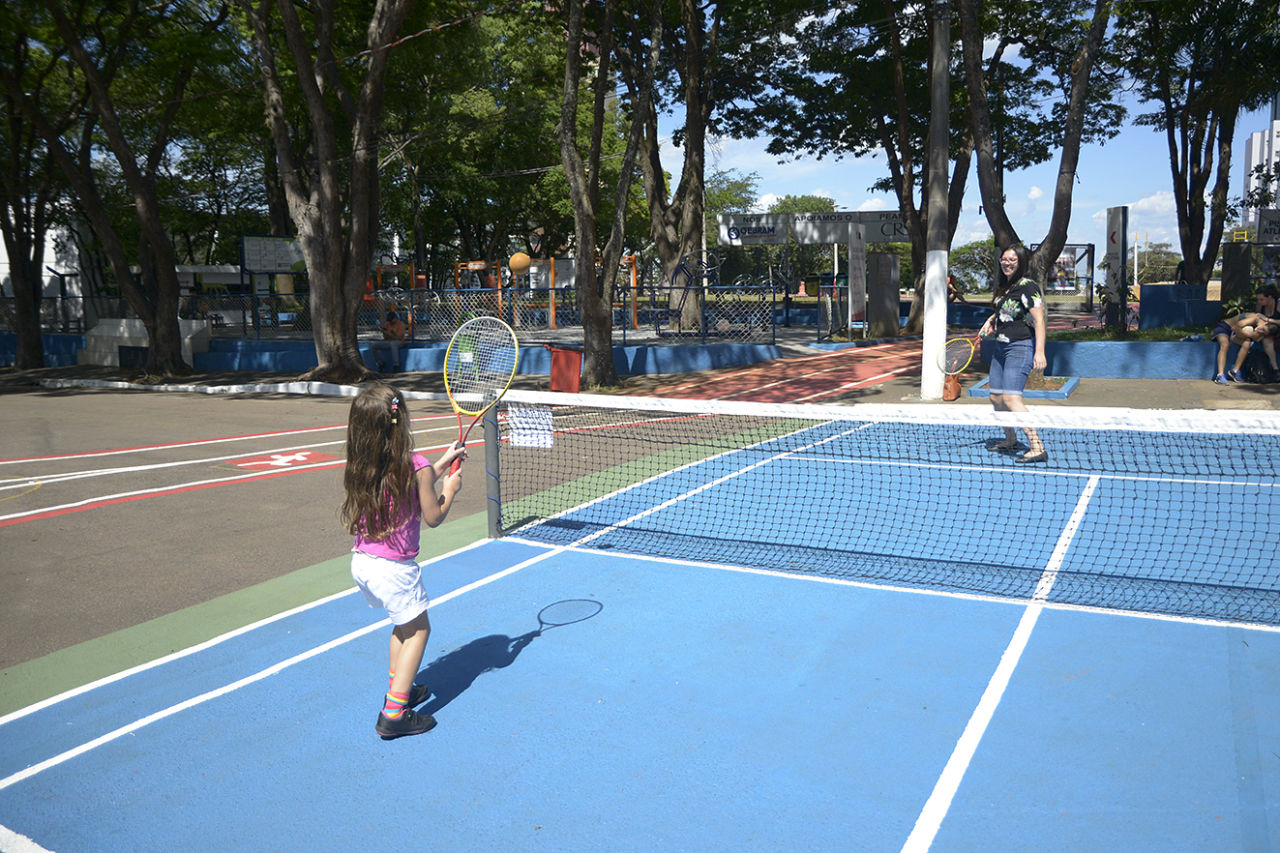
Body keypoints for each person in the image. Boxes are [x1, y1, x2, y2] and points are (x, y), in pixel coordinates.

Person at [341, 382, 467, 739]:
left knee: (402, 625)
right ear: (403, 421)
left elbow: (413, 481)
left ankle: (402, 686)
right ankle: (394, 713)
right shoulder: (416, 467)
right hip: (394, 569)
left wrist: (440, 463)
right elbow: (433, 515)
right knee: (420, 630)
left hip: (363, 562)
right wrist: (450, 490)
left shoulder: (364, 465)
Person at [980, 244, 1048, 463]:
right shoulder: (1007, 287)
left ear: (1020, 263)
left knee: (1011, 397)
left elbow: (1038, 319)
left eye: (1012, 260)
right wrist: (990, 321)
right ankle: (1010, 438)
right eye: (1004, 259)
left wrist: (1040, 352)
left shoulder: (1028, 286)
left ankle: (1037, 446)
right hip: (1000, 348)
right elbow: (1005, 311)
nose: (1007, 263)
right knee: (995, 397)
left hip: (1019, 347)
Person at [1210, 306, 1274, 385]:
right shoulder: (1254, 318)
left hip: (1235, 333)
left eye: (1263, 333)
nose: (1260, 331)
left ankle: (1235, 371)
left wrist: (1254, 335)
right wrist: (1249, 334)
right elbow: (1235, 327)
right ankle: (1220, 375)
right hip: (1224, 328)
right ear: (1265, 323)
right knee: (1225, 344)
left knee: (1247, 343)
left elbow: (1257, 338)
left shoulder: (1260, 329)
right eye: (1262, 329)